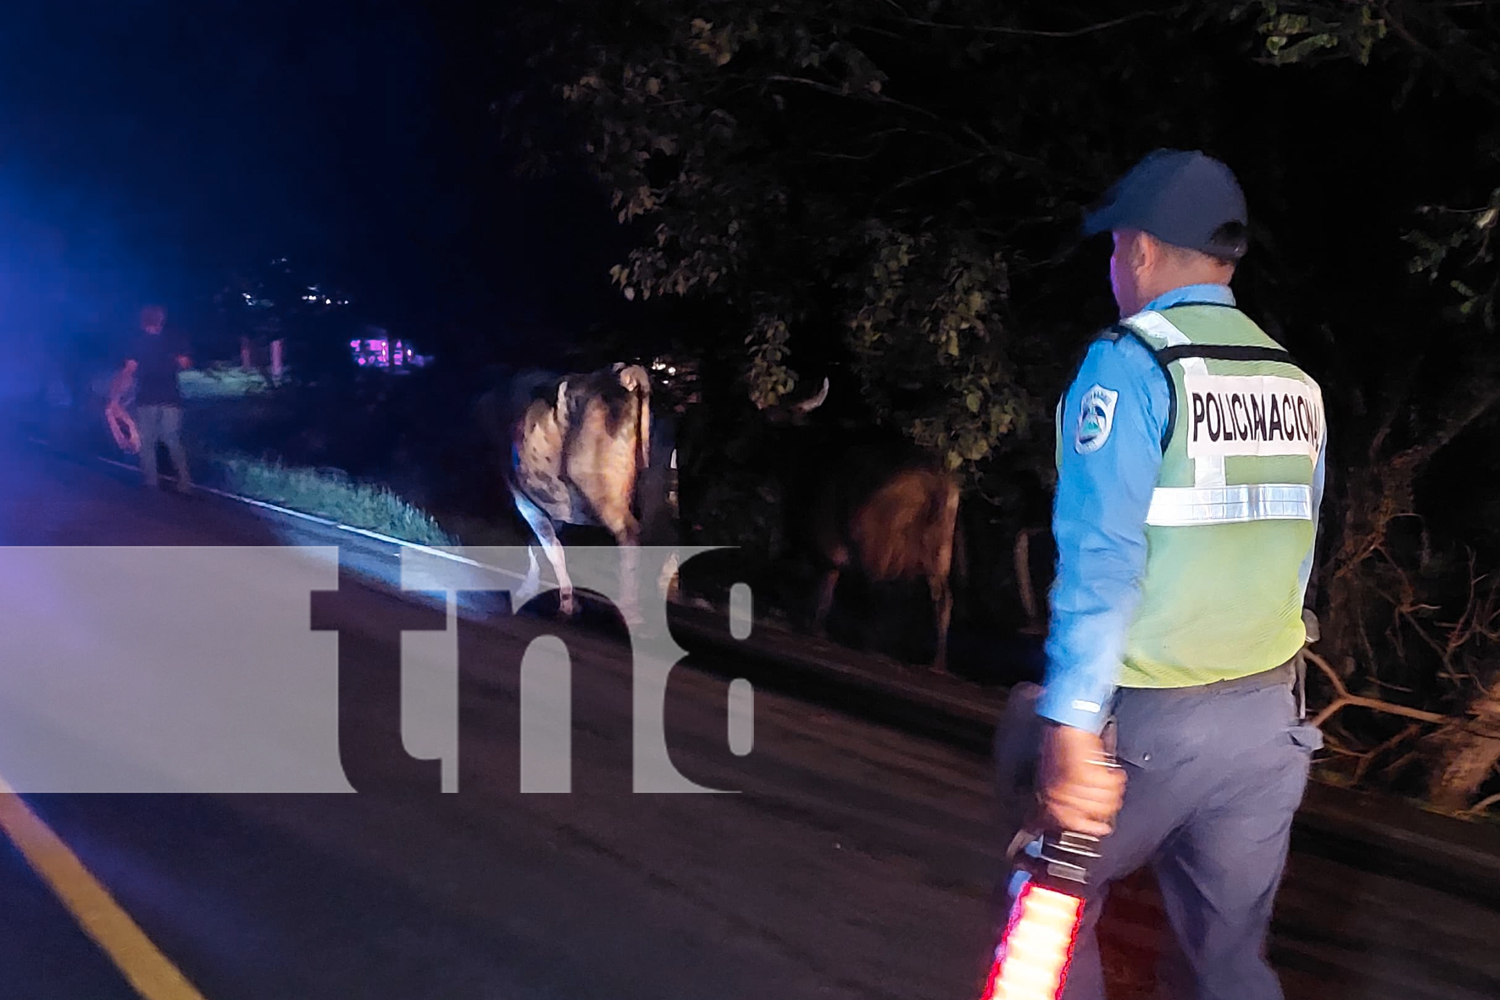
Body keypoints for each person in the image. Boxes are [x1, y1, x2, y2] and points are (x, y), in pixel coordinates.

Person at [1032, 149, 1328, 999]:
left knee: (1045, 913)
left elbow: (1101, 562)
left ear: (1140, 250)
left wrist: (1070, 726)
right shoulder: (1293, 381)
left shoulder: (1131, 367)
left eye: (1115, 248)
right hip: (1268, 723)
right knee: (1228, 962)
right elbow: (1296, 555)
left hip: (1151, 725)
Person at [112, 304, 194, 493]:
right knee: (172, 439)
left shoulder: (136, 342)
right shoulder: (173, 338)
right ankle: (185, 484)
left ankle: (150, 483)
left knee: (147, 441)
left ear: (143, 321)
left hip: (146, 397)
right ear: (161, 320)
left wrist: (116, 395)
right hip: (170, 397)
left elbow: (129, 371)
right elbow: (185, 364)